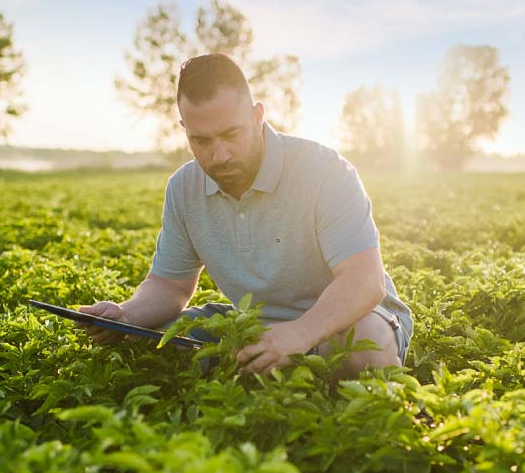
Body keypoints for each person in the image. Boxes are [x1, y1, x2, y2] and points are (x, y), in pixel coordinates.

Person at [81, 53, 413, 378]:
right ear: (184, 129)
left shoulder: (324, 170)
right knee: (148, 344)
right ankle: (264, 366)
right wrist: (125, 315)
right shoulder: (184, 187)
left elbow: (364, 281)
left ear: (257, 116)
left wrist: (297, 335)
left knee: (362, 346)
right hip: (254, 324)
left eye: (231, 134)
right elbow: (169, 285)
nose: (219, 155)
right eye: (201, 140)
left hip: (346, 318)